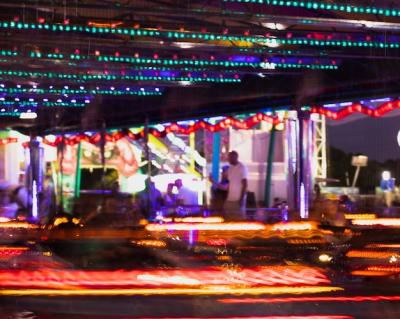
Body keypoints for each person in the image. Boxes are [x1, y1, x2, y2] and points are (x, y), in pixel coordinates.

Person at [224, 151, 248, 221]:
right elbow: (229, 184)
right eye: (228, 158)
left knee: (238, 219)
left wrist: (241, 199)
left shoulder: (242, 168)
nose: (228, 159)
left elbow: (245, 184)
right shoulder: (230, 168)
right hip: (230, 199)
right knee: (228, 218)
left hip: (237, 199)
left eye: (230, 158)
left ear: (235, 157)